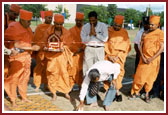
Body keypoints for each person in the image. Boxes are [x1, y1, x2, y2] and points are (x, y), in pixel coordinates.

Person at [4, 9, 40, 107]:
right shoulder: (13, 27)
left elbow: (30, 41)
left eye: (30, 21)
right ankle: (12, 100)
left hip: (26, 57)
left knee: (25, 78)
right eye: (28, 21)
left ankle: (24, 97)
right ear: (22, 20)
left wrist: (34, 47)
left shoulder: (28, 28)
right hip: (17, 58)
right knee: (14, 78)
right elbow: (15, 43)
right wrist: (31, 47)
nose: (29, 23)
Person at [130, 15, 164, 103]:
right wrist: (143, 57)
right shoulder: (145, 33)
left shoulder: (161, 33)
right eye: (149, 24)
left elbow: (162, 48)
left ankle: (147, 94)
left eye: (153, 25)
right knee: (139, 76)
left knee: (150, 78)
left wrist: (152, 58)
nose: (150, 26)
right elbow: (140, 46)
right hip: (144, 59)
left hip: (154, 60)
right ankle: (135, 92)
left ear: (158, 25)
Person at [42, 14, 74, 101]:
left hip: (62, 57)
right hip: (51, 57)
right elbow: (44, 43)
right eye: (57, 24)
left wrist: (64, 48)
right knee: (52, 74)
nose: (59, 26)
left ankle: (66, 92)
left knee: (64, 74)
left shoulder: (66, 32)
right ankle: (53, 93)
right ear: (54, 23)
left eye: (61, 24)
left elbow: (69, 44)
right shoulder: (48, 31)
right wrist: (45, 47)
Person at [104, 15, 131, 101]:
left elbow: (126, 46)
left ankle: (117, 91)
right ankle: (107, 90)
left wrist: (117, 56)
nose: (116, 27)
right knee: (107, 73)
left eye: (119, 26)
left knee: (118, 74)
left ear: (122, 25)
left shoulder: (124, 33)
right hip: (108, 55)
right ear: (113, 23)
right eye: (115, 25)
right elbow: (105, 43)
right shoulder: (108, 30)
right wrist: (109, 55)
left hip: (119, 57)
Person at [80, 11, 108, 77]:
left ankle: (96, 86)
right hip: (89, 49)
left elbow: (105, 39)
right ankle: (87, 85)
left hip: (99, 49)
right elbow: (83, 40)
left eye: (93, 20)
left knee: (99, 69)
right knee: (87, 69)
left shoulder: (103, 26)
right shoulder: (85, 27)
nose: (92, 22)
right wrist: (90, 35)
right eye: (90, 21)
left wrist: (96, 34)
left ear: (97, 19)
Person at [33, 11, 53, 92]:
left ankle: (46, 84)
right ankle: (37, 85)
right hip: (40, 51)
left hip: (49, 51)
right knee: (39, 68)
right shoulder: (39, 27)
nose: (50, 19)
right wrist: (41, 47)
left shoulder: (53, 27)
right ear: (45, 18)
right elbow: (35, 39)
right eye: (49, 17)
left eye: (51, 18)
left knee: (48, 68)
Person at [4, 4, 22, 79]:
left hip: (11, 48)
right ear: (9, 11)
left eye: (17, 15)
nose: (16, 17)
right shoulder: (3, 18)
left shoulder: (15, 23)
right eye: (15, 14)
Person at [69, 12, 85, 89]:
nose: (79, 22)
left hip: (83, 54)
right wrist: (76, 50)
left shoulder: (86, 30)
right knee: (72, 70)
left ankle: (80, 86)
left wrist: (82, 48)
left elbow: (88, 41)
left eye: (80, 20)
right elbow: (69, 42)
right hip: (74, 54)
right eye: (77, 20)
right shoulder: (71, 30)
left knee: (81, 71)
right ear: (75, 20)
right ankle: (70, 87)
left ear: (83, 20)